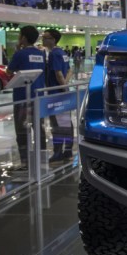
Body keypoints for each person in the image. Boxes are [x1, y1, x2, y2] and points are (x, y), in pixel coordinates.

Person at [7, 25, 46, 171]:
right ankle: (41, 159)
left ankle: (25, 162)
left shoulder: (20, 54)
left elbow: (9, 71)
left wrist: (17, 50)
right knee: (39, 128)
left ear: (23, 37)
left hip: (22, 97)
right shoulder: (41, 54)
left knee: (22, 130)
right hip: (38, 96)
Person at [42, 29, 74, 163]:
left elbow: (59, 74)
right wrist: (65, 86)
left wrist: (62, 87)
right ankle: (68, 150)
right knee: (66, 122)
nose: (43, 40)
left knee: (57, 124)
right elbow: (70, 70)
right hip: (63, 92)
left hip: (56, 94)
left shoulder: (54, 54)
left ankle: (58, 152)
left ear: (53, 39)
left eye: (46, 37)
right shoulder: (62, 52)